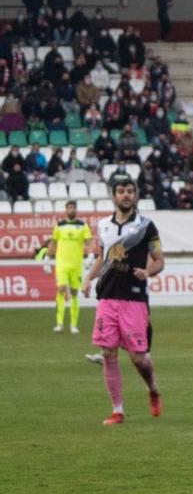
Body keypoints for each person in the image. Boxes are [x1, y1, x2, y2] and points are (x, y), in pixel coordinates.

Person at [82, 174, 165, 426]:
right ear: (114, 195)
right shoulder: (103, 225)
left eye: (130, 190)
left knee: (139, 358)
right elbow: (101, 258)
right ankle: (117, 410)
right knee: (108, 352)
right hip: (107, 296)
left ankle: (152, 388)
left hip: (134, 298)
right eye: (121, 191)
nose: (126, 194)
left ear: (135, 194)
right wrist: (88, 279)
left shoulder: (146, 226)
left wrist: (147, 271)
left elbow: (160, 261)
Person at [38, 198, 93, 334]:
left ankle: (74, 325)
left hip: (76, 264)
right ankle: (59, 323)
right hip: (61, 263)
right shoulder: (59, 225)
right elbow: (53, 243)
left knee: (74, 293)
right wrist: (47, 259)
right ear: (66, 210)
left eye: (73, 207)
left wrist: (90, 255)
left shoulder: (82, 225)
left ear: (76, 210)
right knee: (62, 289)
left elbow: (89, 242)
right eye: (69, 207)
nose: (71, 210)